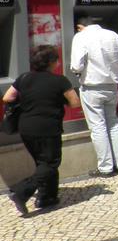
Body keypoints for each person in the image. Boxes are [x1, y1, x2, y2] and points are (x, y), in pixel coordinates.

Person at [3, 46, 79, 216]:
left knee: (42, 162)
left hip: (26, 127)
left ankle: (47, 197)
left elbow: (7, 97)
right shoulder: (60, 81)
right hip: (48, 128)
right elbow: (74, 102)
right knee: (51, 163)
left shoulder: (23, 78)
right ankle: (22, 192)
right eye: (56, 60)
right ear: (51, 62)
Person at [70, 17, 118, 176]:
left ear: (79, 26)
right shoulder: (112, 35)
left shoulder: (81, 36)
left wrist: (80, 72)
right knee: (114, 124)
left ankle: (105, 168)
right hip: (112, 86)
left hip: (92, 88)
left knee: (97, 127)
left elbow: (76, 65)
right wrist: (110, 69)